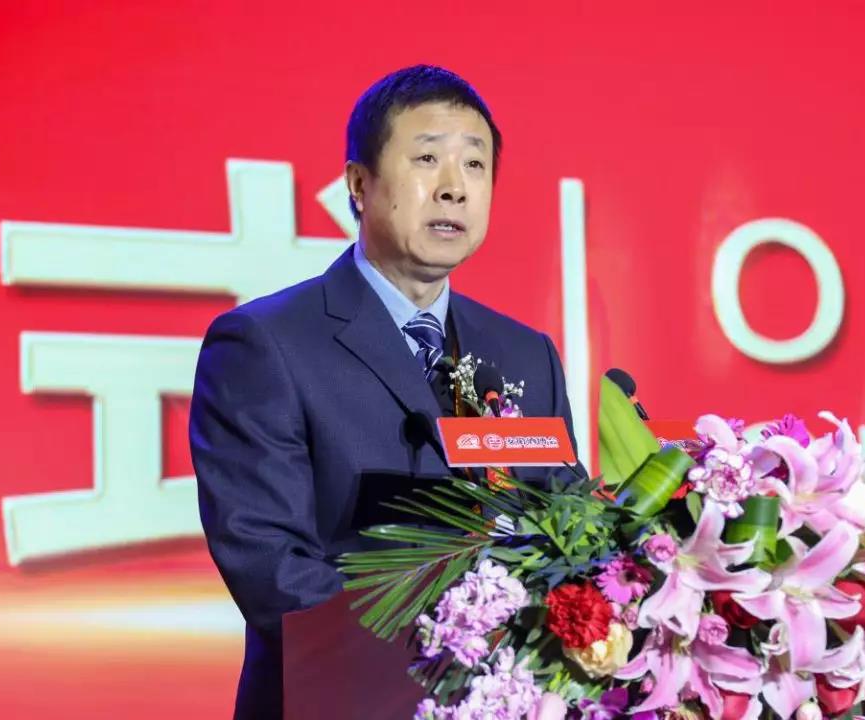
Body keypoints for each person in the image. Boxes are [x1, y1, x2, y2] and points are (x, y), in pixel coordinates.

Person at [189, 65, 578, 720]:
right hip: (338, 702)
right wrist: (445, 666)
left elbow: (567, 528)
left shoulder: (525, 354)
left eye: (475, 165)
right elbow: (272, 566)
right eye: (427, 159)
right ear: (359, 184)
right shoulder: (266, 344)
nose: (454, 187)